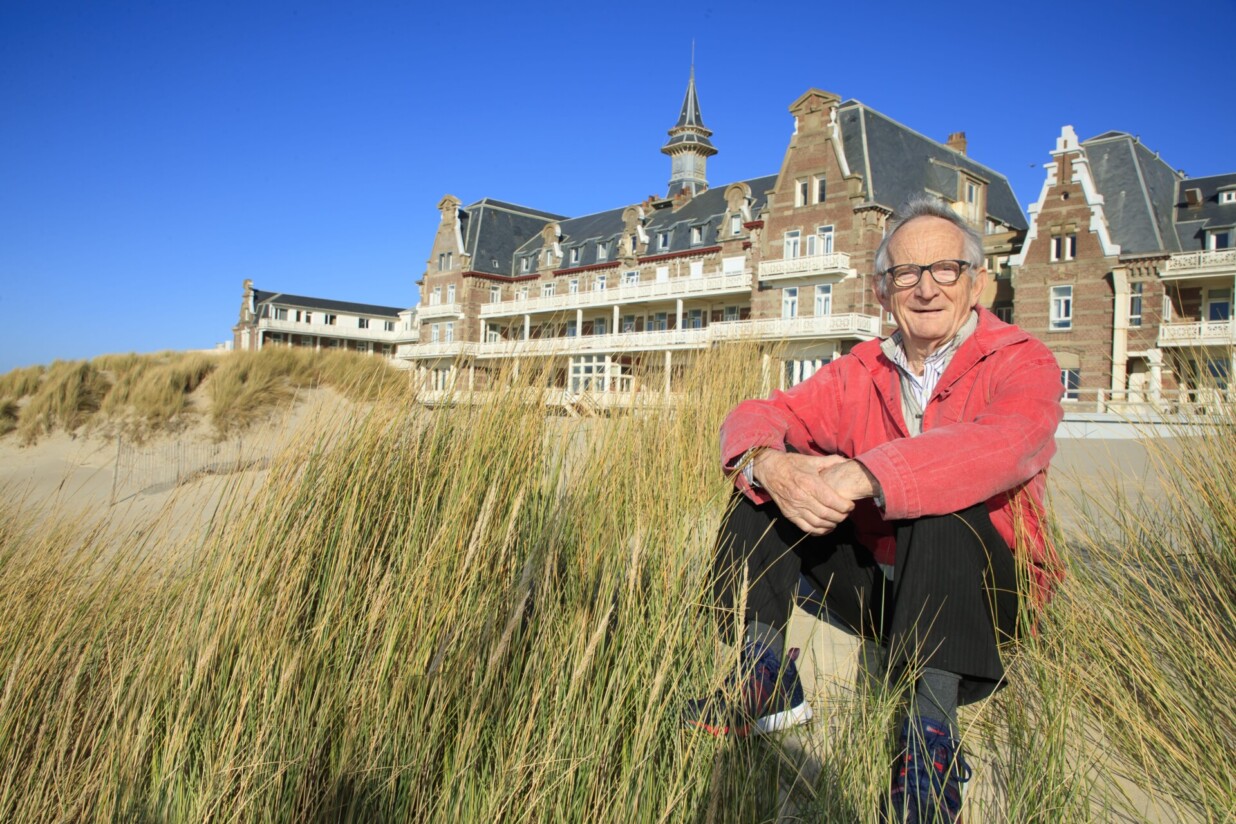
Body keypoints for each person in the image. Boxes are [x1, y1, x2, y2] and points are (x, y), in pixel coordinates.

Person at [686, 195, 1064, 823]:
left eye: (944, 269)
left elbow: (1003, 446)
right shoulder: (860, 368)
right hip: (885, 590)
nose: (924, 288)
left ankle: (929, 740)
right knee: (765, 483)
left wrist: (868, 472)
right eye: (904, 274)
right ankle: (765, 670)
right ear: (883, 290)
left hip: (988, 591)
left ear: (977, 283)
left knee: (944, 504)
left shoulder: (1023, 360)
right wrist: (772, 464)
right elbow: (760, 414)